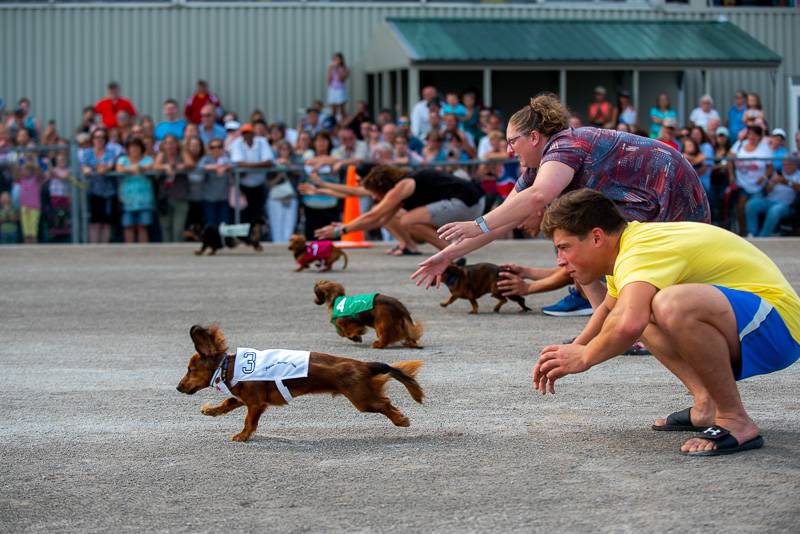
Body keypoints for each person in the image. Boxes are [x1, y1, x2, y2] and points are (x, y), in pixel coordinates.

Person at [532, 188, 799, 456]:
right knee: (642, 307)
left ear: (597, 237)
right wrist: (570, 351)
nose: (560, 261)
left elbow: (628, 324)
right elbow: (608, 312)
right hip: (756, 325)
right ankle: (706, 404)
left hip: (779, 326)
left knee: (670, 304)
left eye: (564, 248)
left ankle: (734, 419)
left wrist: (585, 356)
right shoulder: (625, 251)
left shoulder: (641, 251)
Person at [414, 93, 709, 318]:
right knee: (578, 250)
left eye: (512, 141)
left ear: (533, 137)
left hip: (670, 191)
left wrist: (476, 223)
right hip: (644, 200)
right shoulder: (536, 166)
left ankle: (630, 327)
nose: (507, 150)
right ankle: (609, 325)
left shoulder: (565, 144)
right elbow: (501, 221)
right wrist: (446, 256)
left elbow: (539, 196)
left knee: (593, 247)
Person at [315, 165, 485, 251]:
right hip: (472, 202)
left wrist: (342, 231)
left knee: (408, 220)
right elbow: (379, 221)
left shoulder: (403, 185)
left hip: (467, 202)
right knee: (406, 220)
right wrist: (347, 228)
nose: (374, 197)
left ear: (382, 186)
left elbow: (374, 215)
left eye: (374, 193)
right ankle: (451, 250)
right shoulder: (403, 188)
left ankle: (452, 253)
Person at [228, 123, 274, 238]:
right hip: (243, 186)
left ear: (253, 133)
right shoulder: (237, 143)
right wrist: (258, 165)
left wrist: (247, 167)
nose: (247, 135)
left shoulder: (262, 142)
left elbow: (268, 162)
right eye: (244, 133)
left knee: (258, 215)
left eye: (249, 133)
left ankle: (258, 237)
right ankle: (243, 238)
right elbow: (238, 163)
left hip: (259, 186)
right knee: (243, 215)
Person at [78, 127, 122, 243]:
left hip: (108, 192)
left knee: (106, 223)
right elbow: (83, 166)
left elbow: (109, 165)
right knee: (94, 222)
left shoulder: (110, 152)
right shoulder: (87, 153)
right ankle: (94, 249)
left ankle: (104, 249)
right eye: (97, 137)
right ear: (92, 139)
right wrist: (89, 168)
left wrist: (99, 168)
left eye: (102, 137)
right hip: (92, 192)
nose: (99, 139)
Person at [729, 125, 773, 236]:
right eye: (750, 134)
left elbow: (770, 167)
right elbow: (729, 159)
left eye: (755, 134)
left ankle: (753, 232)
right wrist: (731, 175)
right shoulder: (739, 144)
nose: (752, 136)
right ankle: (743, 233)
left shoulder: (765, 148)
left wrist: (764, 177)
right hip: (742, 184)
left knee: (752, 208)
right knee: (740, 209)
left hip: (757, 186)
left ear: (759, 137)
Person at [745, 155, 799, 237]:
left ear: (795, 164)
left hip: (786, 204)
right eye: (784, 164)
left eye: (789, 164)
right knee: (751, 204)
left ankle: (762, 236)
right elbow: (766, 190)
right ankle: (752, 233)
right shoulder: (777, 173)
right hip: (769, 200)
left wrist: (786, 182)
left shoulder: (798, 175)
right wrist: (770, 185)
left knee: (774, 211)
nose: (786, 166)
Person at [115, 137, 155, 244]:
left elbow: (151, 166)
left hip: (144, 199)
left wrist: (140, 168)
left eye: (136, 147)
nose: (134, 150)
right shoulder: (122, 160)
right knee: (128, 225)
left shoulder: (148, 159)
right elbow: (119, 168)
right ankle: (129, 251)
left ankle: (143, 251)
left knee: (143, 226)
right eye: (131, 147)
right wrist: (132, 168)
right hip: (127, 199)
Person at [153, 134, 190, 242]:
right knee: (166, 228)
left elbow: (191, 163)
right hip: (164, 198)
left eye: (172, 142)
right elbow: (155, 166)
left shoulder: (182, 154)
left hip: (180, 197)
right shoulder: (161, 155)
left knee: (178, 229)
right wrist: (165, 166)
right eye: (167, 143)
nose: (170, 146)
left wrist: (180, 166)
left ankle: (178, 255)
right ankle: (167, 255)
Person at [198, 139, 232, 228]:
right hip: (209, 199)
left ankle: (224, 242)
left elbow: (235, 164)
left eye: (219, 147)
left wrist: (225, 167)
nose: (216, 149)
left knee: (224, 225)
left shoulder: (226, 158)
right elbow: (199, 167)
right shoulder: (206, 159)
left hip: (224, 198)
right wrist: (215, 167)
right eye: (213, 147)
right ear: (209, 149)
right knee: (211, 225)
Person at [326, 53, 350, 119]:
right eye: (335, 59)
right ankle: (333, 124)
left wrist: (337, 69)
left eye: (338, 59)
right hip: (333, 89)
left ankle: (345, 122)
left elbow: (341, 78)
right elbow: (328, 80)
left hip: (340, 89)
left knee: (342, 109)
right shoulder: (331, 67)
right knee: (333, 109)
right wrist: (331, 69)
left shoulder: (345, 68)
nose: (336, 60)